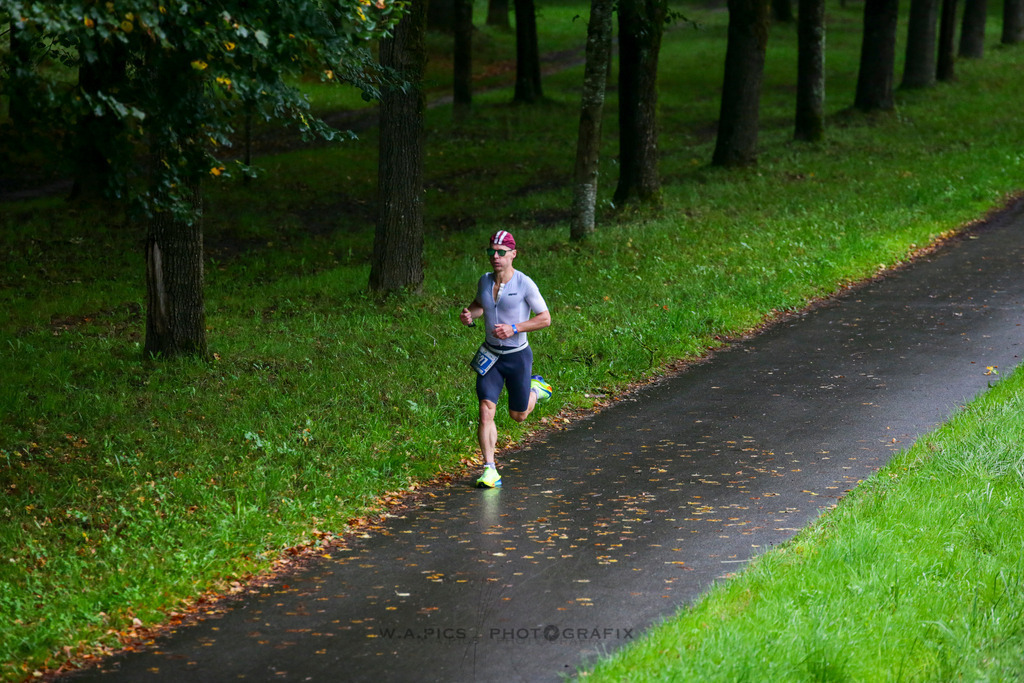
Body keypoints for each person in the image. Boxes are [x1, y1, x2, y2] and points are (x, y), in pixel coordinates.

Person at [460, 230, 552, 488]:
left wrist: (514, 328)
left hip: (517, 357)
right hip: (490, 356)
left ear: (513, 254)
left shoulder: (524, 284)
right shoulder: (484, 280)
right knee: (485, 410)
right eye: (492, 251)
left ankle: (536, 389)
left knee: (518, 415)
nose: (495, 256)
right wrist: (470, 315)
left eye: (501, 252)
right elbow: (479, 305)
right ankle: (490, 469)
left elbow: (545, 318)